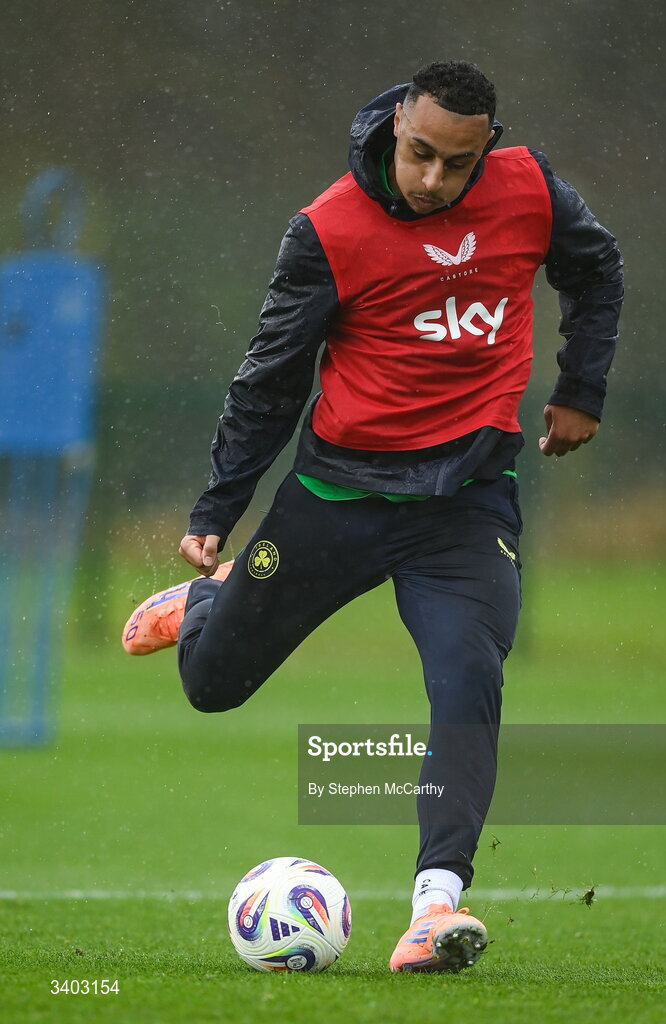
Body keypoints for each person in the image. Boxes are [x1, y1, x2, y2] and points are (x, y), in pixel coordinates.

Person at [122, 60, 623, 973]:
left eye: (456, 164)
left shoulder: (532, 191)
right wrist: (218, 509)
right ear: (396, 126)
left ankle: (435, 908)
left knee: (467, 679)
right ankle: (206, 605)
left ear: (490, 150)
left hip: (464, 508)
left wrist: (580, 387)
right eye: (419, 154)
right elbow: (271, 376)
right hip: (334, 497)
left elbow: (597, 272)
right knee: (211, 686)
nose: (432, 179)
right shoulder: (326, 229)